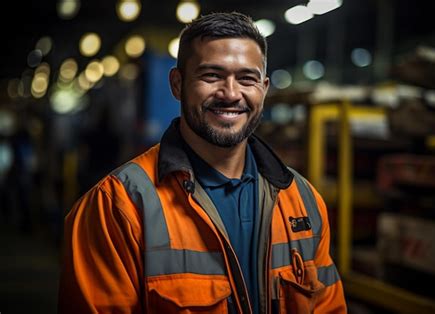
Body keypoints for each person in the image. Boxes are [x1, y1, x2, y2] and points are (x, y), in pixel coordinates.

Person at [58, 12, 346, 313]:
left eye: (246, 78)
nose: (231, 94)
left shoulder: (303, 201)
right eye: (212, 76)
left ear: (264, 87)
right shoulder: (117, 207)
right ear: (177, 84)